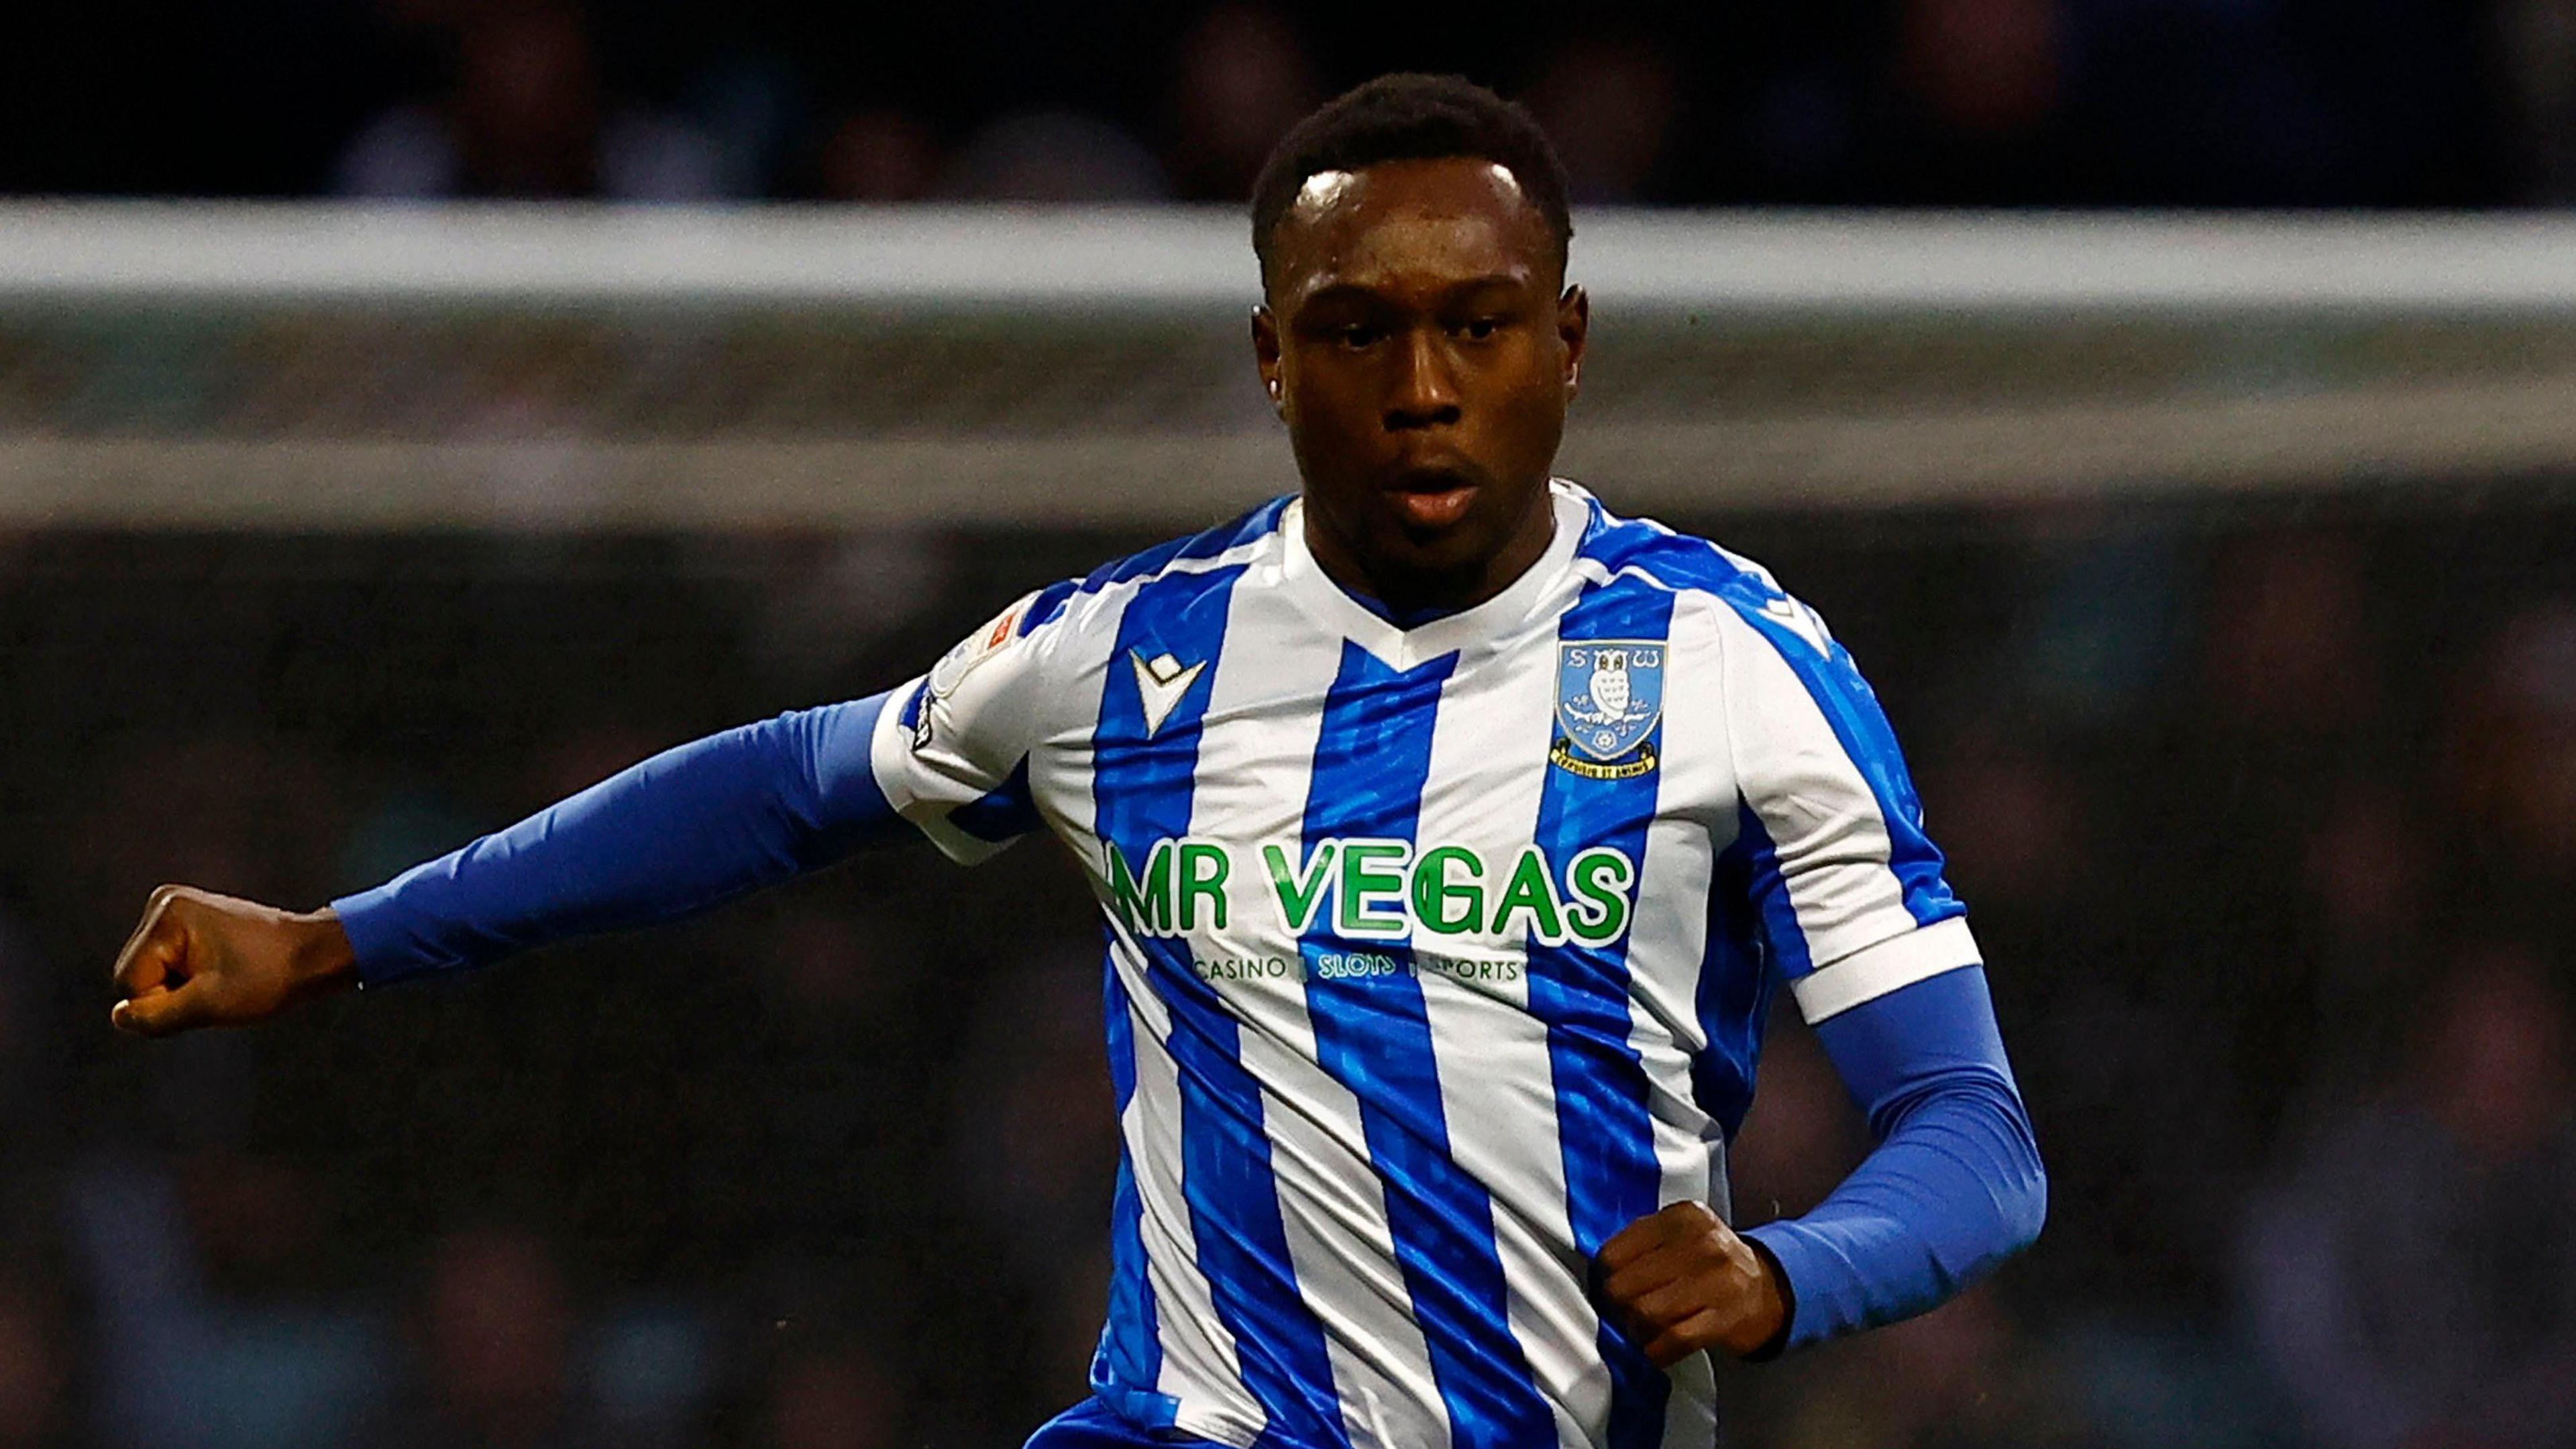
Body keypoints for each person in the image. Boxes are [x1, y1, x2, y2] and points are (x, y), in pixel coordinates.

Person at [106, 74, 2045, 1449]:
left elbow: (1973, 1133)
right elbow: (781, 786)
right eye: (1359, 330)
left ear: (1571, 340)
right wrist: (342, 937)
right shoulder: (1126, 657)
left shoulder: (1733, 663)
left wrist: (1794, 1275)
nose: (1426, 385)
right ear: (1275, 358)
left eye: (1483, 325)